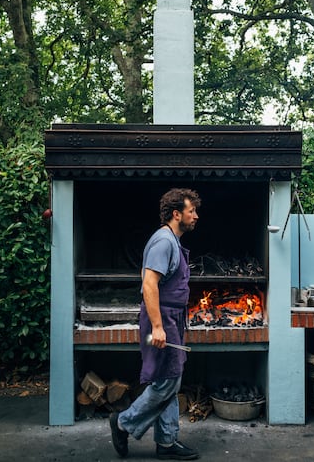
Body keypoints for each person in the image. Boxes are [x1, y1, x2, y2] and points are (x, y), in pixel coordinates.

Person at [110, 188, 201, 460]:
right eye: (191, 211)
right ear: (176, 214)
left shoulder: (169, 240)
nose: (196, 216)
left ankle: (167, 442)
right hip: (161, 321)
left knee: (170, 379)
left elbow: (144, 272)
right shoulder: (164, 241)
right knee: (166, 382)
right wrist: (159, 326)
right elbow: (149, 284)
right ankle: (123, 423)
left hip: (171, 318)